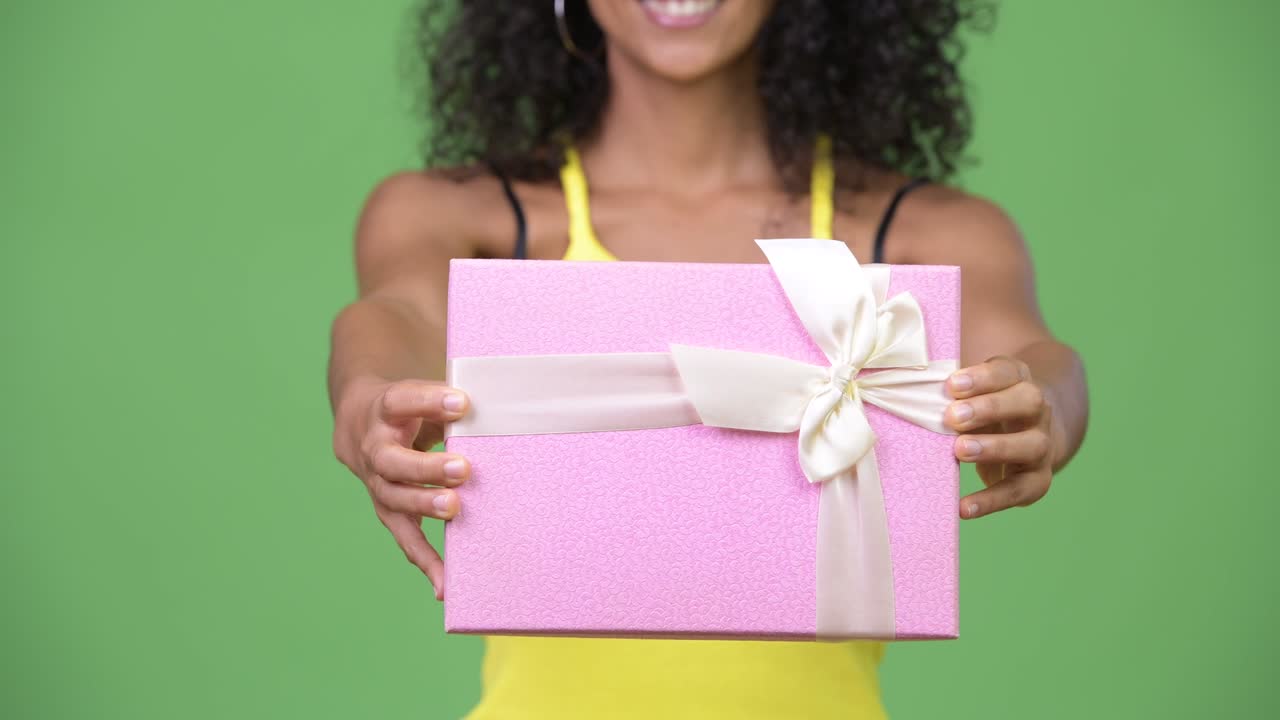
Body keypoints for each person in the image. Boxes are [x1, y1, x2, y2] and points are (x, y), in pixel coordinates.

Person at [328, 1, 1089, 717]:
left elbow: (1034, 353)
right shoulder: (460, 218)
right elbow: (398, 314)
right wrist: (369, 395)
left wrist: (1045, 408)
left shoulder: (927, 232)